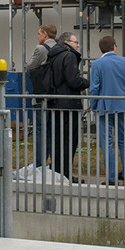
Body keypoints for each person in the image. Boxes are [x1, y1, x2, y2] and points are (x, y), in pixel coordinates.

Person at [90, 34, 125, 183]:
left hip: (104, 106)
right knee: (124, 141)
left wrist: (93, 106)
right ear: (114, 46)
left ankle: (111, 177)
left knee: (107, 143)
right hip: (122, 105)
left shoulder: (97, 64)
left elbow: (94, 88)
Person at [46, 32, 89, 179]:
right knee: (69, 141)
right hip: (69, 104)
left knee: (58, 140)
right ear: (67, 42)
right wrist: (88, 83)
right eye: (75, 42)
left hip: (55, 103)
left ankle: (57, 172)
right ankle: (65, 174)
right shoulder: (69, 56)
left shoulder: (53, 55)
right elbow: (73, 80)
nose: (77, 45)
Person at [26, 24, 58, 166]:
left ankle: (39, 162)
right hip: (55, 96)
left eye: (39, 33)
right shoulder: (60, 48)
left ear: (45, 34)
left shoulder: (40, 49)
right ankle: (54, 162)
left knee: (40, 130)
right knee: (53, 130)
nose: (38, 36)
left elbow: (30, 67)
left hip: (41, 95)